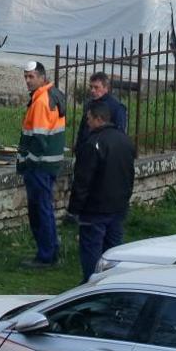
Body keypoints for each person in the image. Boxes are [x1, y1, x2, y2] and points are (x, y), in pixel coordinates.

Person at [67, 99, 136, 280]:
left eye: (89, 119)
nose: (87, 123)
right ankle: (113, 281)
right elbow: (130, 174)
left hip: (95, 208)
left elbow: (83, 181)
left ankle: (91, 283)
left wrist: (74, 210)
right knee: (114, 249)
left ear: (98, 119)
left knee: (91, 248)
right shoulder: (125, 141)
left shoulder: (92, 144)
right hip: (119, 205)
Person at [17, 60, 67, 269]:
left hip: (39, 166)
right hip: (49, 164)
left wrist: (27, 161)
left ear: (41, 77)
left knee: (40, 210)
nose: (27, 81)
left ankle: (46, 255)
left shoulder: (41, 101)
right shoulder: (53, 94)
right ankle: (50, 249)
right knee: (44, 208)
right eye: (26, 76)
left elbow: (39, 138)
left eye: (31, 77)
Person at [83, 72, 128, 137]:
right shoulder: (89, 104)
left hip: (105, 144)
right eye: (91, 87)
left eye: (96, 87)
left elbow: (120, 133)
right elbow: (83, 128)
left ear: (106, 88)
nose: (92, 90)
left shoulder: (117, 107)